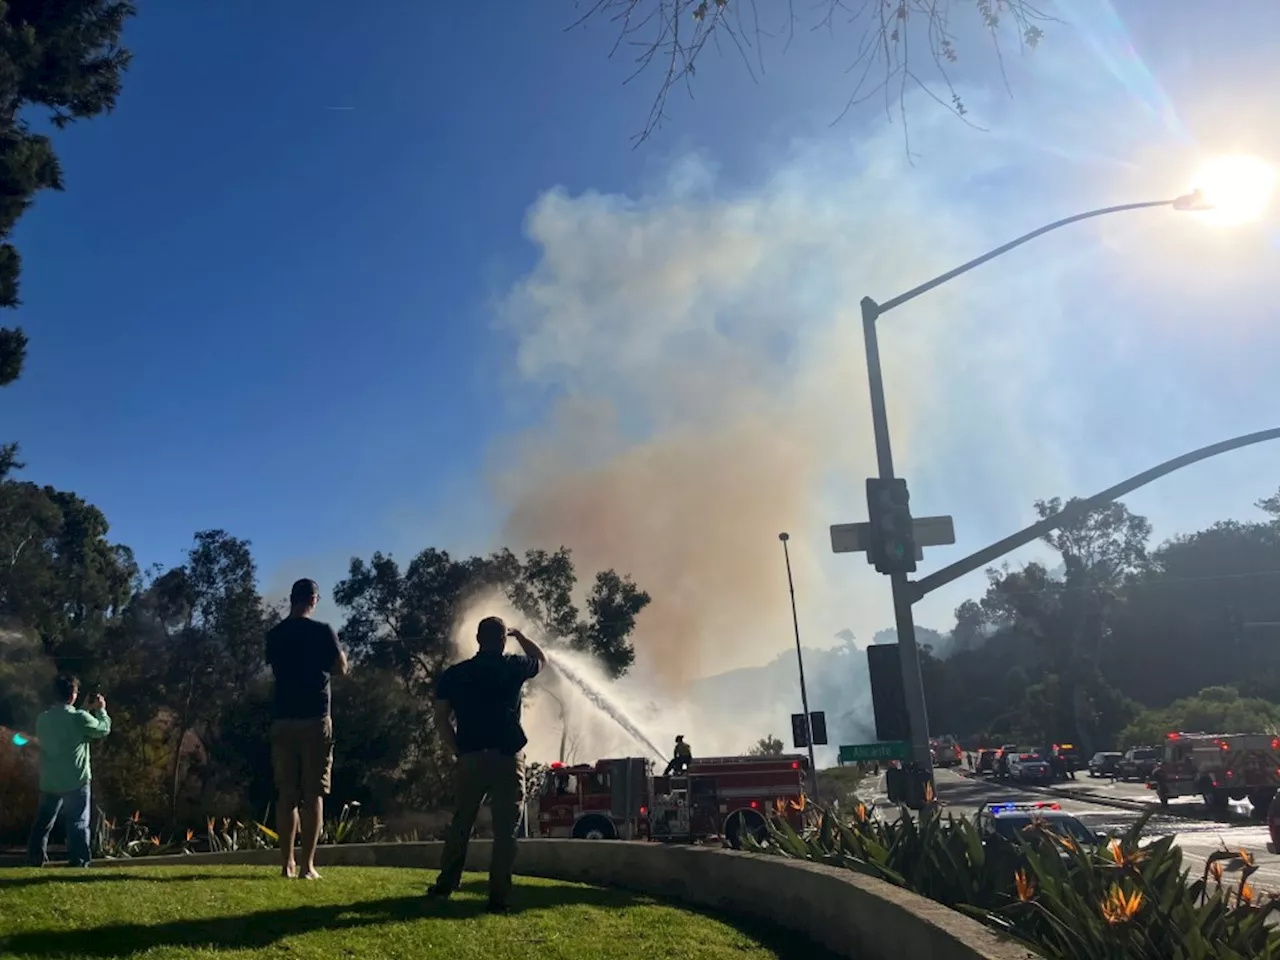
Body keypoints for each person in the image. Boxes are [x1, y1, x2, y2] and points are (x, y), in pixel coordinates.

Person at [427, 616, 547, 912]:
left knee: (462, 822)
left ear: (478, 639)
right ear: (502, 640)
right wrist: (521, 636)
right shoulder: (512, 666)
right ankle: (498, 896)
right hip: (508, 757)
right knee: (506, 829)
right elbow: (540, 660)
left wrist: (456, 749)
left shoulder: (456, 674)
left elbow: (441, 717)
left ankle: (447, 882)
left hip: (470, 756)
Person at [265, 578, 348, 880]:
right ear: (313, 599)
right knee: (314, 794)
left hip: (283, 718)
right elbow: (340, 668)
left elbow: (276, 666)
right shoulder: (323, 631)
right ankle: (307, 866)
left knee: (286, 793)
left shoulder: (275, 634)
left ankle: (285, 863)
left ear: (291, 598)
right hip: (315, 717)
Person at [27, 674, 111, 867]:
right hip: (76, 780)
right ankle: (79, 861)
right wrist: (101, 710)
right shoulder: (79, 718)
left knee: (42, 823)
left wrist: (84, 710)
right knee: (77, 823)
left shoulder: (43, 719)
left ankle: (34, 859)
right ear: (73, 694)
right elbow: (102, 729)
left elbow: (68, 726)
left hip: (50, 780)